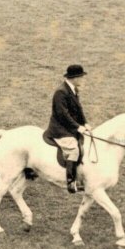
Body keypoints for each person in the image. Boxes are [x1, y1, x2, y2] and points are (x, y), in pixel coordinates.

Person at [42, 65, 92, 193]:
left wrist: (85, 123)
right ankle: (70, 182)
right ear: (74, 78)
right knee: (74, 149)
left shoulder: (73, 89)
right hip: (60, 129)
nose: (82, 79)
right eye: (80, 77)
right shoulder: (61, 92)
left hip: (69, 127)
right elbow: (62, 115)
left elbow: (78, 109)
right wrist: (77, 127)